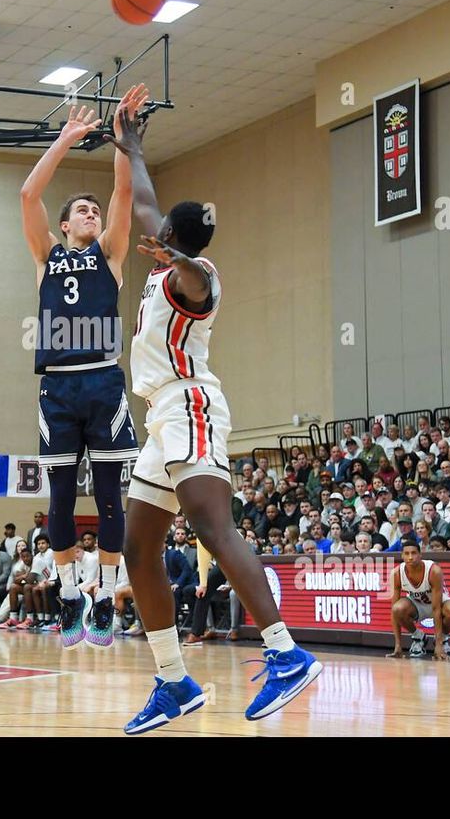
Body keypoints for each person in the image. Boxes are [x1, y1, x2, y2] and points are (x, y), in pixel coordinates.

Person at [109, 108, 321, 735]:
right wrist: (133, 147)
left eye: (166, 231)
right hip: (161, 418)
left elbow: (196, 277)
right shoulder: (161, 258)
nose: (155, 224)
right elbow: (146, 204)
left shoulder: (194, 279)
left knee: (212, 526)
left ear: (175, 238)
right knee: (138, 548)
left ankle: (285, 652)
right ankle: (174, 681)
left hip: (192, 404)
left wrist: (182, 259)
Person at [20, 88, 148, 651]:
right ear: (66, 225)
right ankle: (71, 591)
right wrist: (66, 139)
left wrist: (123, 134)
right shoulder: (47, 255)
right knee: (59, 497)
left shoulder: (112, 255)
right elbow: (28, 193)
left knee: (112, 497)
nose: (91, 213)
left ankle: (105, 594)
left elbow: (123, 187)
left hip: (103, 379)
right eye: (81, 211)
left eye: (94, 210)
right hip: (58, 386)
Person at [386, 538, 450, 659]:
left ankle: (442, 640)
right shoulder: (396, 573)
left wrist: (438, 644)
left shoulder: (433, 570)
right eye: (407, 553)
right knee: (397, 609)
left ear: (420, 555)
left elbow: (436, 609)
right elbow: (393, 612)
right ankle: (418, 637)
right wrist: (398, 646)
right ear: (402, 556)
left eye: (414, 553)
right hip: (417, 605)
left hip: (439, 603)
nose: (410, 557)